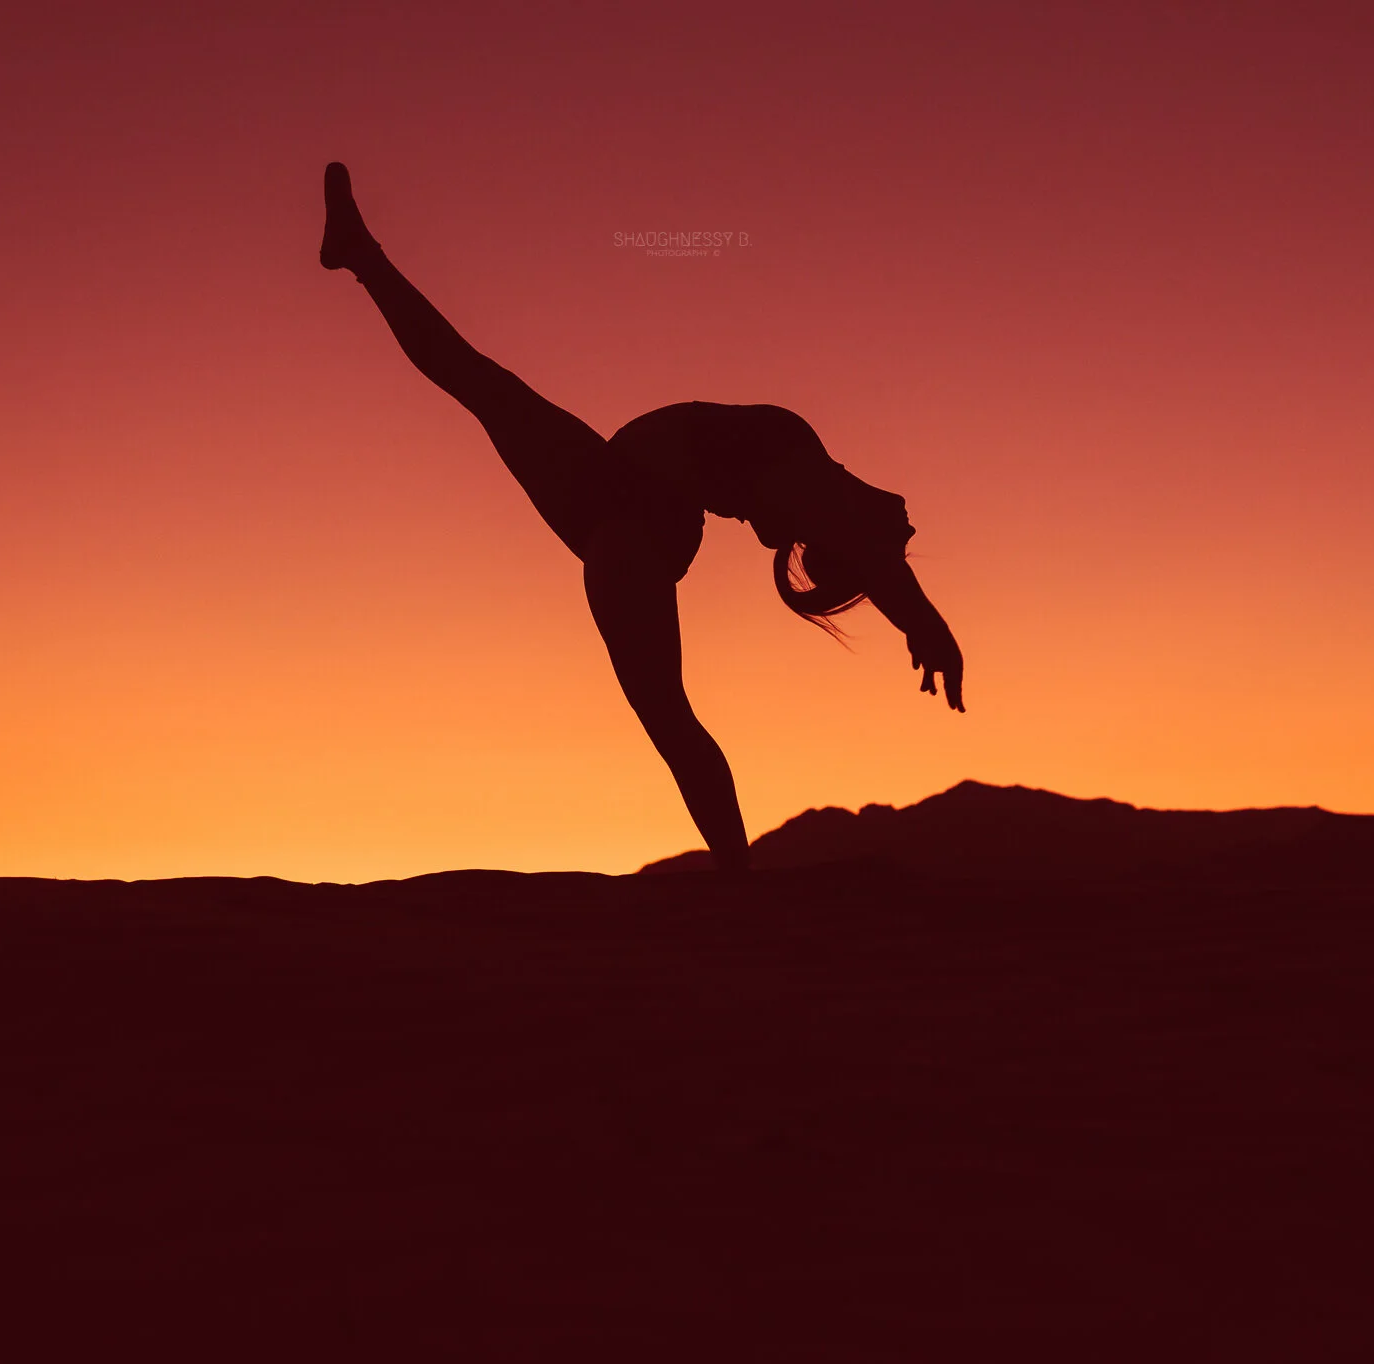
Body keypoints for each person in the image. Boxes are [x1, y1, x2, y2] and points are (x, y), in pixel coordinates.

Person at [319, 163, 963, 872]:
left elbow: (874, 556)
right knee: (478, 381)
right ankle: (363, 257)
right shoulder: (805, 457)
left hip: (634, 523)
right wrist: (919, 618)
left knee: (668, 717)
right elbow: (874, 552)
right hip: (610, 489)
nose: (910, 527)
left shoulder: (809, 480)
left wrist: (925, 624)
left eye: (893, 541)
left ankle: (737, 876)